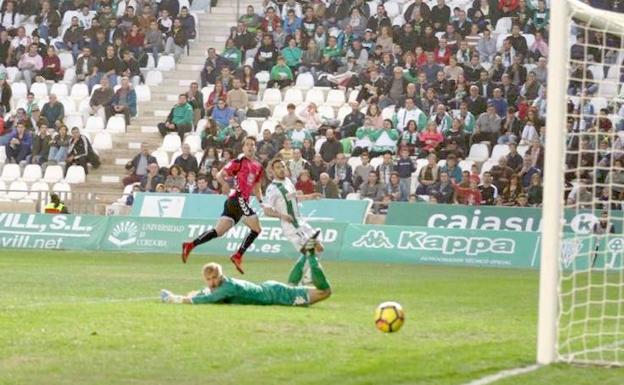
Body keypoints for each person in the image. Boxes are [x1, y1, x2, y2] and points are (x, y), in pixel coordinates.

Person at [182, 137, 264, 274]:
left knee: (218, 232)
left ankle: (190, 244)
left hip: (237, 203)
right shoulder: (238, 162)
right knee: (256, 229)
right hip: (238, 199)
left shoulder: (258, 167)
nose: (250, 147)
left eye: (252, 145)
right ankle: (238, 256)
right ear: (243, 148)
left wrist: (261, 202)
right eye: (247, 144)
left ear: (255, 148)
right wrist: (224, 184)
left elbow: (257, 187)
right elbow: (220, 175)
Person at [160, 256, 331, 306]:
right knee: (293, 286)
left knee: (325, 292)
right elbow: (206, 293)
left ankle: (311, 256)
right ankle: (304, 257)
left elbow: (209, 298)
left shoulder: (227, 287)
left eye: (214, 279)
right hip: (269, 288)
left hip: (277, 296)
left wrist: (178, 299)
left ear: (220, 276)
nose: (211, 283)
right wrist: (189, 295)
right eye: (208, 280)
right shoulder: (222, 286)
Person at [263, 159, 323, 282]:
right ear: (272, 171)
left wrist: (309, 197)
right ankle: (304, 278)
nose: (281, 169)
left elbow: (292, 199)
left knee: (319, 247)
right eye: (278, 167)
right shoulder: (272, 189)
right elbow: (267, 211)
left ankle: (306, 276)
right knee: (309, 250)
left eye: (283, 166)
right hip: (291, 225)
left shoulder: (288, 182)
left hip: (301, 222)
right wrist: (282, 216)